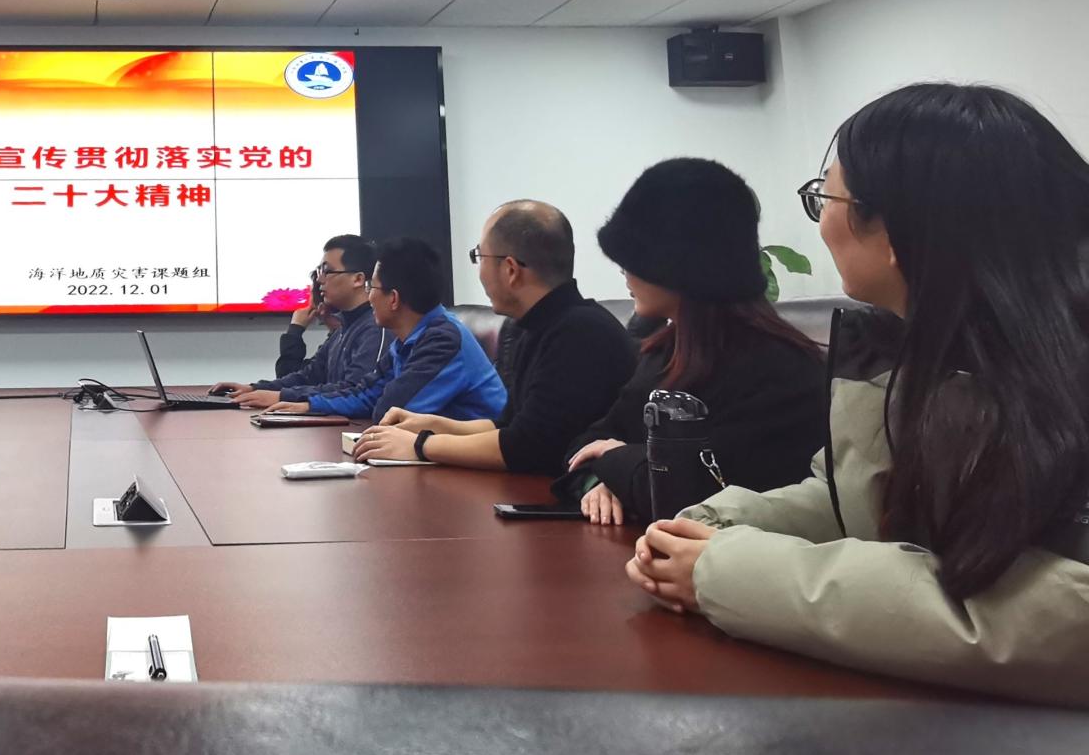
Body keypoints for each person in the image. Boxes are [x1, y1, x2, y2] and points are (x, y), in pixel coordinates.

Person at [631, 84, 1089, 705]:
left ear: (897, 231)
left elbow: (1058, 621)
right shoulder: (912, 355)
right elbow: (854, 495)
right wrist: (714, 525)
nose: (821, 222)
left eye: (826, 197)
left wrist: (727, 571)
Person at [564, 159, 827, 527]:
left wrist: (613, 460)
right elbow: (587, 444)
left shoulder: (781, 371)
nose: (624, 273)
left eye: (633, 260)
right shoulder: (664, 351)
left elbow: (691, 493)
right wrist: (602, 482)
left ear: (679, 265)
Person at [353, 202, 635, 473]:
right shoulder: (532, 326)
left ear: (510, 270)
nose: (479, 271)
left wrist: (420, 445)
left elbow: (527, 446)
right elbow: (508, 424)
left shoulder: (579, 333)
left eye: (479, 257)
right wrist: (430, 425)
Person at [265, 238, 505, 424]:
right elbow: (365, 394)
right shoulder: (408, 339)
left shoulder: (442, 340)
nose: (369, 297)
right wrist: (308, 405)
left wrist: (304, 401)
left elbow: (390, 412)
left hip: (479, 465)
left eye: (372, 287)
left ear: (394, 299)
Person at [217, 235, 384, 410]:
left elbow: (354, 390)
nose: (319, 279)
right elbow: (308, 376)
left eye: (327, 271)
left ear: (358, 279)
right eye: (319, 271)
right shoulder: (343, 328)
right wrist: (254, 388)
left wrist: (281, 396)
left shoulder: (375, 328)